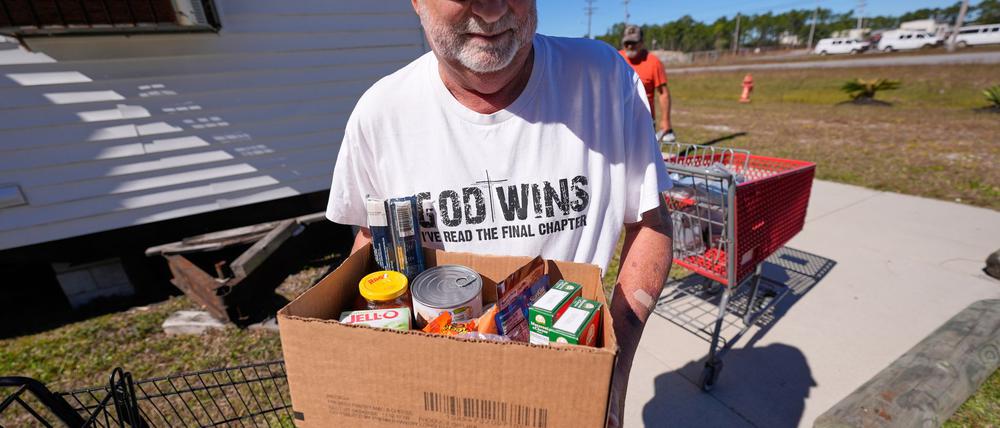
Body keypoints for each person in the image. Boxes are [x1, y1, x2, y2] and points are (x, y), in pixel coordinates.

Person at [325, 1, 673, 425]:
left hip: (566, 387)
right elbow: (371, 241)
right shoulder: (380, 115)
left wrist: (612, 375)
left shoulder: (604, 79)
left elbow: (650, 223)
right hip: (437, 396)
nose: (491, 11)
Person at [618, 25, 675, 143]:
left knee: (643, 160)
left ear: (642, 42)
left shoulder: (653, 63)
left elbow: (663, 93)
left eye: (633, 42)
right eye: (626, 43)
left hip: (644, 122)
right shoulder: (616, 58)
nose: (629, 46)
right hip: (618, 119)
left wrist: (666, 120)